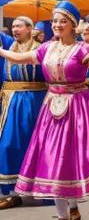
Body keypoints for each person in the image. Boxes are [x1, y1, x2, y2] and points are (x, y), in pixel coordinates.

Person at [0, 1, 89, 220]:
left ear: (73, 25)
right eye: (55, 21)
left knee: (69, 160)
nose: (57, 25)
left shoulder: (84, 50)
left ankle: (71, 207)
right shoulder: (46, 48)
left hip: (78, 108)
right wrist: (1, 51)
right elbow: (20, 58)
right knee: (52, 159)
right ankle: (63, 217)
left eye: (62, 21)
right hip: (52, 107)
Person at [0, 17, 47, 209]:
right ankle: (12, 193)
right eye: (13, 27)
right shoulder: (10, 47)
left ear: (29, 29)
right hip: (12, 101)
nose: (15, 30)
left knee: (39, 146)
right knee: (8, 144)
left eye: (19, 26)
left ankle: (46, 188)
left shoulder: (40, 49)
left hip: (35, 100)